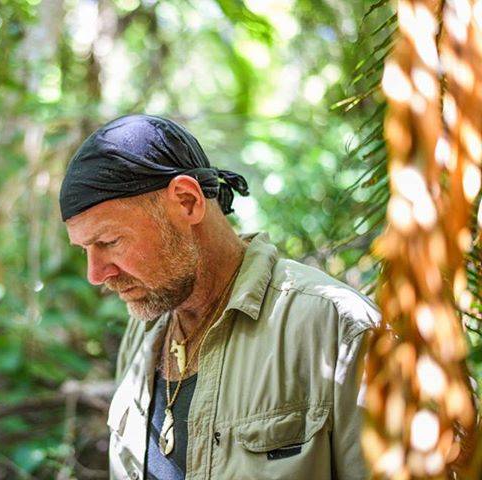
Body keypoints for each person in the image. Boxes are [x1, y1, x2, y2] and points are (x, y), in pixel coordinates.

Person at [59, 114, 378, 480]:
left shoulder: (335, 329)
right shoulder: (143, 332)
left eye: (109, 241)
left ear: (186, 202)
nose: (96, 274)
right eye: (85, 249)